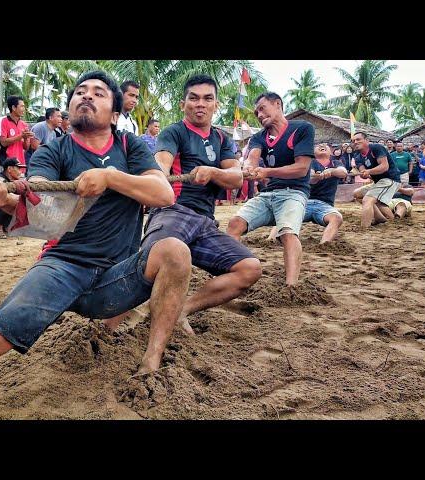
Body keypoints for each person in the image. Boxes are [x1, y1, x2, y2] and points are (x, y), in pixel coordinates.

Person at [0, 70, 193, 417]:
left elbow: (163, 194)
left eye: (99, 93)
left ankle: (150, 363)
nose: (86, 96)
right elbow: (43, 207)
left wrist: (110, 177)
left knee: (175, 250)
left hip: (116, 279)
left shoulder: (129, 148)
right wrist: (2, 199)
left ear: (116, 114)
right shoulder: (53, 151)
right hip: (63, 266)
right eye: (80, 91)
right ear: (70, 106)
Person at [123, 74, 260, 335]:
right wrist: (156, 175)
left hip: (205, 223)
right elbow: (161, 162)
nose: (200, 104)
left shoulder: (221, 139)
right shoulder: (173, 132)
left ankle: (181, 309)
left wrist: (212, 172)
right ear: (182, 103)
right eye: (193, 98)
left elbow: (235, 177)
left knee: (249, 269)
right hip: (172, 212)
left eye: (208, 98)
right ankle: (119, 317)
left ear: (216, 105)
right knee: (148, 266)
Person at [226, 92, 314, 286]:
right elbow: (252, 157)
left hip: (294, 192)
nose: (259, 114)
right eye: (256, 111)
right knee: (234, 225)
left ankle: (291, 287)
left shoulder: (302, 129)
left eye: (262, 108)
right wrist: (249, 168)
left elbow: (301, 169)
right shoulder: (259, 137)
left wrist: (266, 172)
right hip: (267, 194)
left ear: (277, 104)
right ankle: (231, 276)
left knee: (287, 233)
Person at [269, 143, 346, 244]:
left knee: (336, 218)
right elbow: (310, 177)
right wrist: (316, 177)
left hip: (325, 205)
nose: (322, 146)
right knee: (286, 214)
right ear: (312, 152)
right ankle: (271, 240)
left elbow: (343, 172)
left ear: (331, 152)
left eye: (326, 145)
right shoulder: (310, 163)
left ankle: (324, 245)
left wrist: (330, 171)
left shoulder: (336, 163)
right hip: (303, 202)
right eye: (318, 145)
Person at [350, 131, 401, 228]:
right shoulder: (357, 157)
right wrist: (364, 174)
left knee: (367, 200)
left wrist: (368, 171)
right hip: (378, 182)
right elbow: (364, 173)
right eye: (353, 141)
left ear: (367, 140)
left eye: (358, 139)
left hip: (390, 179)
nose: (355, 142)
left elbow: (384, 167)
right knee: (357, 194)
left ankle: (364, 228)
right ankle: (380, 218)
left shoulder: (376, 147)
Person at [0, 96, 32, 176]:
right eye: (22, 106)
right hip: (6, 163)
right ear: (13, 107)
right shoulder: (3, 121)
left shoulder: (24, 124)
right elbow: (3, 142)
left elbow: (26, 147)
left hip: (20, 164)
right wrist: (21, 136)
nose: (24, 109)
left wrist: (26, 138)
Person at [0, 157, 24, 239]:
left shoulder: (11, 179)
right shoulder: (0, 178)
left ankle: (7, 226)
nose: (20, 172)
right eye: (18, 168)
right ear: (9, 169)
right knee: (9, 198)